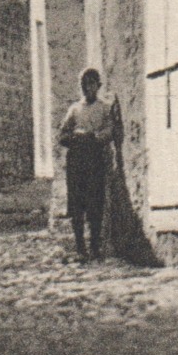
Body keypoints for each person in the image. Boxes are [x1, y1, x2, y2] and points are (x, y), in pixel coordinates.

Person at [57, 68, 122, 260]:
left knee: (95, 201)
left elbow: (110, 131)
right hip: (77, 159)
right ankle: (80, 246)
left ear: (98, 86)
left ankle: (94, 245)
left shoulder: (104, 109)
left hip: (94, 158)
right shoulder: (75, 109)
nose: (88, 89)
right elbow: (62, 134)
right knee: (77, 202)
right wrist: (73, 138)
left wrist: (95, 137)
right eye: (85, 85)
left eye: (92, 84)